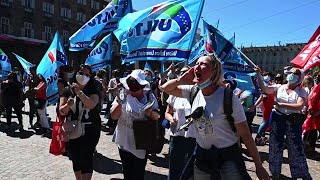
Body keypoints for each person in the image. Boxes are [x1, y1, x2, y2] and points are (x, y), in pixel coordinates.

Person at [160, 54, 269, 180]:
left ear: (214, 71)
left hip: (228, 157)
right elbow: (164, 88)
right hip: (202, 155)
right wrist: (181, 80)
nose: (197, 67)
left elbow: (246, 136)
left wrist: (259, 166)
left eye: (203, 64)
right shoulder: (192, 92)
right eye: (197, 63)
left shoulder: (228, 97)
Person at [255, 66, 312, 179]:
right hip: (278, 118)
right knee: (275, 144)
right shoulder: (279, 87)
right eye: (290, 72)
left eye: (295, 73)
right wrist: (258, 75)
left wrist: (281, 104)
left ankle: (300, 174)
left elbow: (299, 106)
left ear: (300, 78)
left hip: (293, 120)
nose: (291, 74)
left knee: (295, 147)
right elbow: (265, 89)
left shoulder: (302, 91)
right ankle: (274, 171)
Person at [110, 69, 159, 180]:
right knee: (127, 173)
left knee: (138, 175)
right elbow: (113, 116)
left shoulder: (149, 97)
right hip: (123, 142)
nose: (133, 89)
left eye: (136, 85)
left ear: (142, 86)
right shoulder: (123, 95)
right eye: (131, 84)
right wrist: (119, 102)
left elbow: (157, 117)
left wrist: (149, 113)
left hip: (140, 143)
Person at [59, 64, 101, 180]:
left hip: (90, 130)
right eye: (81, 73)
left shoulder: (93, 89)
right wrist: (68, 105)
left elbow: (91, 104)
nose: (83, 76)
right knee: (75, 157)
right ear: (76, 74)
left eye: (87, 74)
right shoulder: (67, 90)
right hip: (72, 129)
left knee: (86, 157)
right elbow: (61, 111)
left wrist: (79, 93)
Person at [165, 66, 196, 180]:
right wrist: (171, 119)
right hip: (177, 135)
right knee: (174, 167)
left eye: (187, 72)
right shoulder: (174, 92)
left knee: (191, 168)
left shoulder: (198, 91)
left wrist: (195, 118)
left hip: (194, 136)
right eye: (182, 72)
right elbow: (167, 112)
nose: (184, 74)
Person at [302, 72, 320, 153]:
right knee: (312, 129)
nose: (316, 78)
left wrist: (318, 111)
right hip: (313, 113)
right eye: (316, 77)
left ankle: (310, 146)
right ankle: (310, 146)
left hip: (317, 113)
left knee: (314, 129)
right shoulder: (315, 88)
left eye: (318, 77)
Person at [106, 69, 122, 134]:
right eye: (116, 74)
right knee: (112, 115)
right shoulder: (112, 81)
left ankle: (117, 131)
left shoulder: (122, 81)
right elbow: (109, 89)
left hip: (121, 100)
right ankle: (111, 130)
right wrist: (116, 88)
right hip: (113, 100)